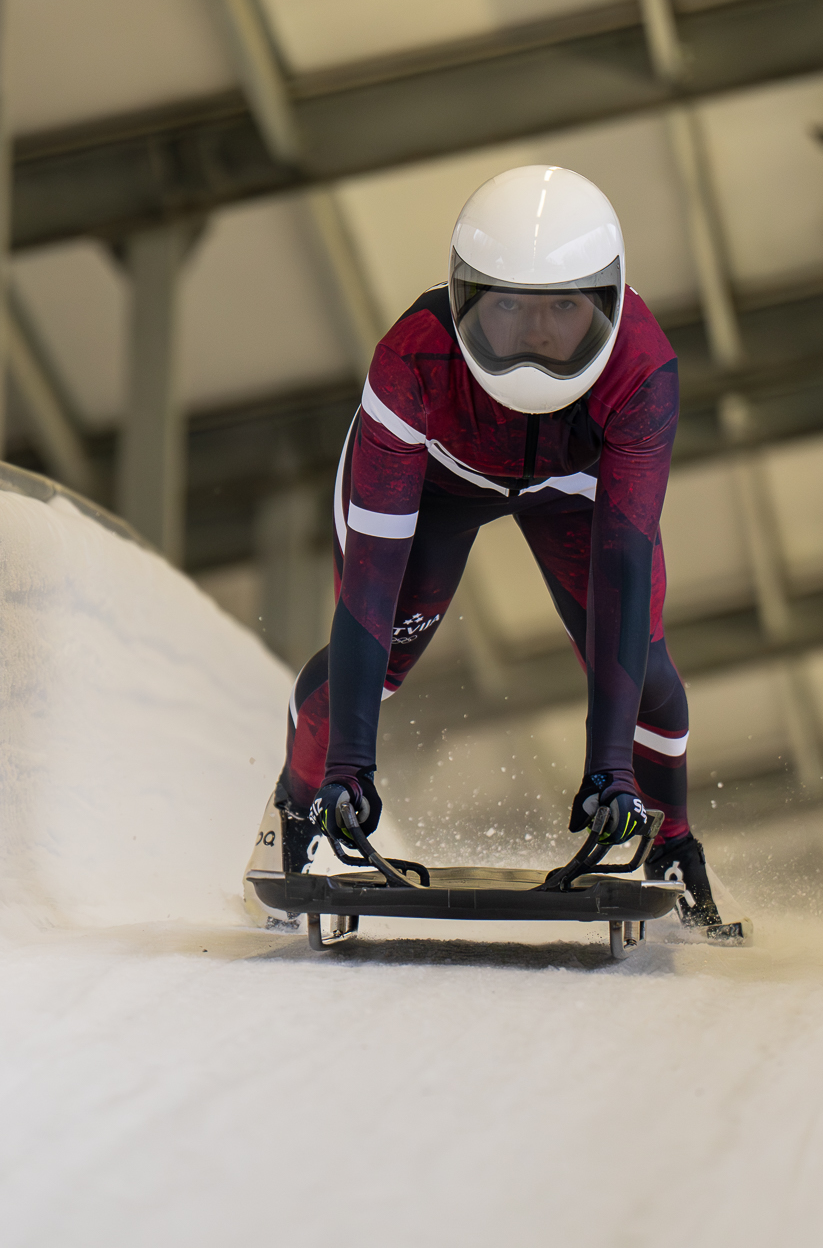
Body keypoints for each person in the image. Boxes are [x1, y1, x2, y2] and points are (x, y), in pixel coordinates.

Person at [272, 164, 725, 928]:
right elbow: (370, 589)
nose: (538, 340)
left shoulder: (643, 369)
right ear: (464, 300)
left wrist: (612, 769)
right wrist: (351, 764)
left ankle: (672, 836)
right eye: (510, 311)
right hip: (439, 477)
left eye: (564, 313)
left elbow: (624, 557)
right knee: (382, 653)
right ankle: (306, 795)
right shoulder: (411, 360)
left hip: (576, 481)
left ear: (609, 306)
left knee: (643, 664)